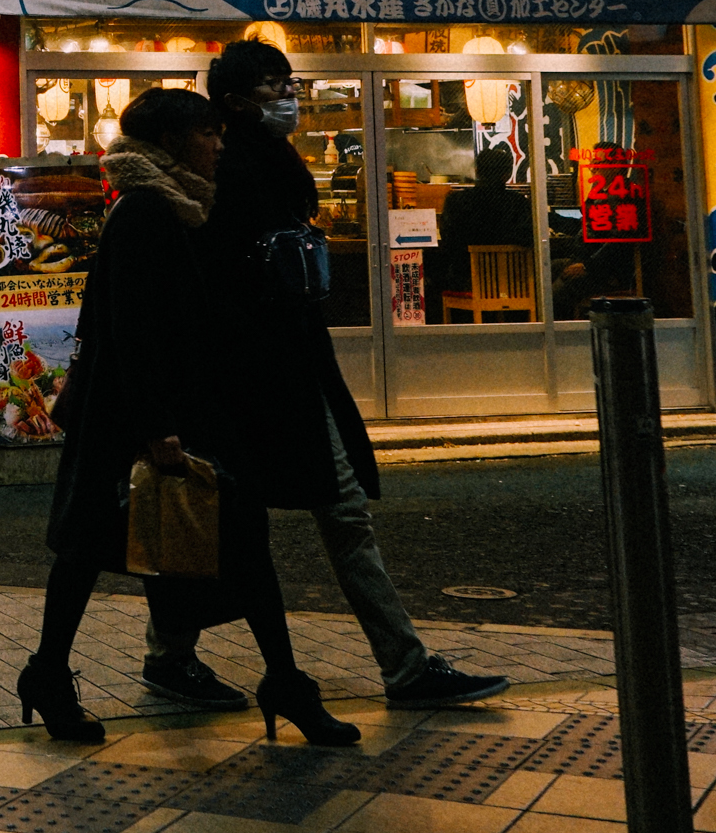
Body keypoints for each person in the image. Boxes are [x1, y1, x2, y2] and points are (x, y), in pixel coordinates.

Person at [166, 40, 508, 712]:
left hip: (279, 367)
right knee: (305, 510)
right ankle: (398, 665)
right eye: (272, 86)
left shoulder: (260, 163)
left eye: (287, 81)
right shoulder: (226, 173)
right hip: (267, 372)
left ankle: (173, 652)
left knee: (263, 511)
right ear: (234, 102)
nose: (287, 96)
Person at [26, 86, 356, 747]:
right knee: (94, 552)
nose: (218, 144)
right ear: (176, 142)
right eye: (208, 134)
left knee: (231, 542)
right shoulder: (147, 212)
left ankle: (284, 681)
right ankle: (51, 674)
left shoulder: (171, 207)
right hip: (140, 419)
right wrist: (158, 426)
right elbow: (132, 327)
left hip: (160, 411)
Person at [435, 143, 534, 306]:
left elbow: (448, 239)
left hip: (466, 282)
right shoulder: (518, 203)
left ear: (477, 171)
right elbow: (528, 237)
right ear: (507, 175)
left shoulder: (455, 201)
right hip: (512, 284)